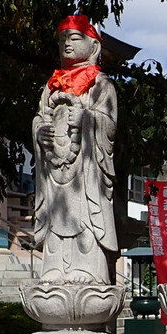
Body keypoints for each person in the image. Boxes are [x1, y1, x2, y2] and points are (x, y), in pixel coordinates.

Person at [32, 15, 118, 284]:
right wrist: (39, 131)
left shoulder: (100, 85)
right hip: (55, 169)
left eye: (74, 38)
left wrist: (87, 119)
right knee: (56, 219)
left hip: (85, 172)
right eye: (62, 40)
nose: (67, 44)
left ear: (93, 47)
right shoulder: (50, 87)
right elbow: (39, 117)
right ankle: (55, 266)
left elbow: (110, 126)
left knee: (85, 219)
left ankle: (87, 267)